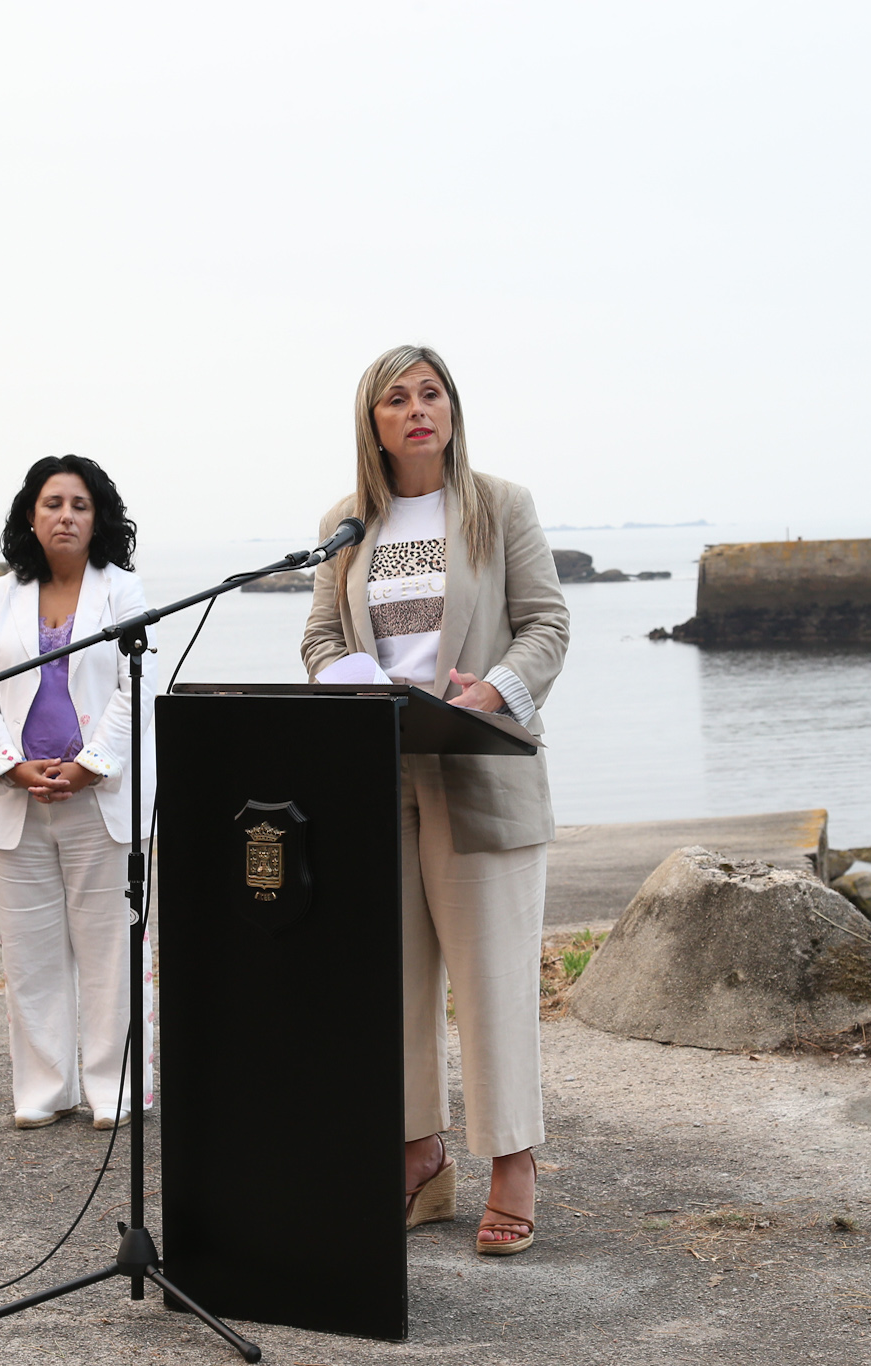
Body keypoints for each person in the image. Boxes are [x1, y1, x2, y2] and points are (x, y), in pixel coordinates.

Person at [302, 345, 569, 1256]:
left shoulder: (500, 506)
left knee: (492, 983)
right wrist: (350, 681)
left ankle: (512, 1164)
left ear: (452, 410)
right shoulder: (346, 524)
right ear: (372, 422)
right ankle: (419, 1153)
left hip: (478, 765)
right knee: (394, 980)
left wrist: (492, 690)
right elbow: (320, 637)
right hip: (379, 773)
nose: (417, 409)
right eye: (396, 398)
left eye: (431, 393)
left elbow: (547, 624)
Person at [0, 456, 155, 1131]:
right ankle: (44, 1088)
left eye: (79, 504)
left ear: (98, 518)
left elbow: (135, 689)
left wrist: (90, 765)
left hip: (100, 798)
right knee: (30, 954)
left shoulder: (122, 590)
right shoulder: (0, 595)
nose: (65, 516)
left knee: (111, 954)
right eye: (52, 503)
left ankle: (115, 1089)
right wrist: (12, 766)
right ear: (30, 515)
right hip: (18, 799)